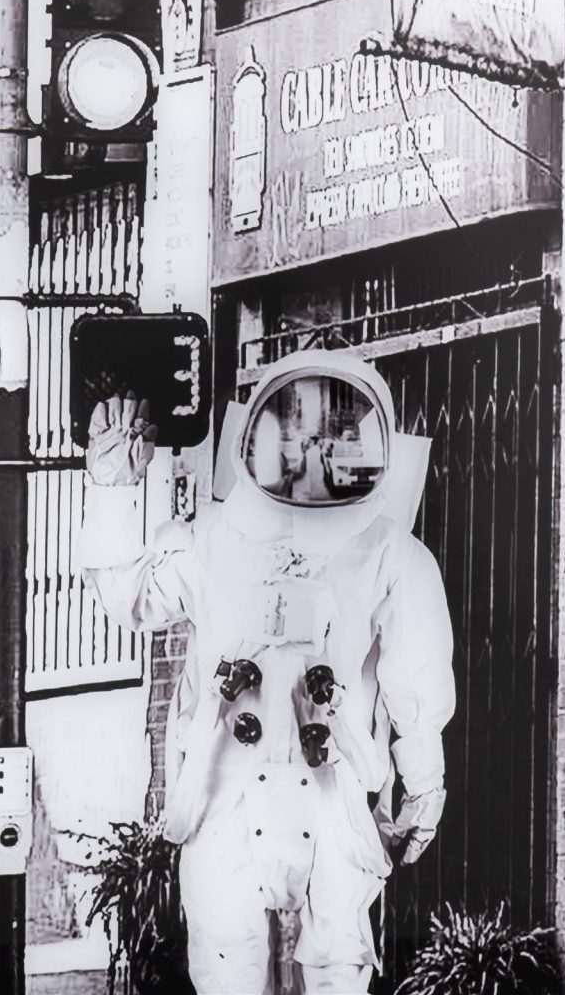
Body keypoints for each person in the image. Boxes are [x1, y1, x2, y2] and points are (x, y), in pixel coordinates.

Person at [77, 351, 455, 995]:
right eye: (295, 432)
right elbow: (128, 598)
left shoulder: (389, 551)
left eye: (332, 437)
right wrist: (113, 488)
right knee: (229, 964)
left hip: (333, 793)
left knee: (338, 968)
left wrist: (425, 784)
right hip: (225, 791)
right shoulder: (207, 540)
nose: (311, 454)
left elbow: (415, 682)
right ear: (257, 438)